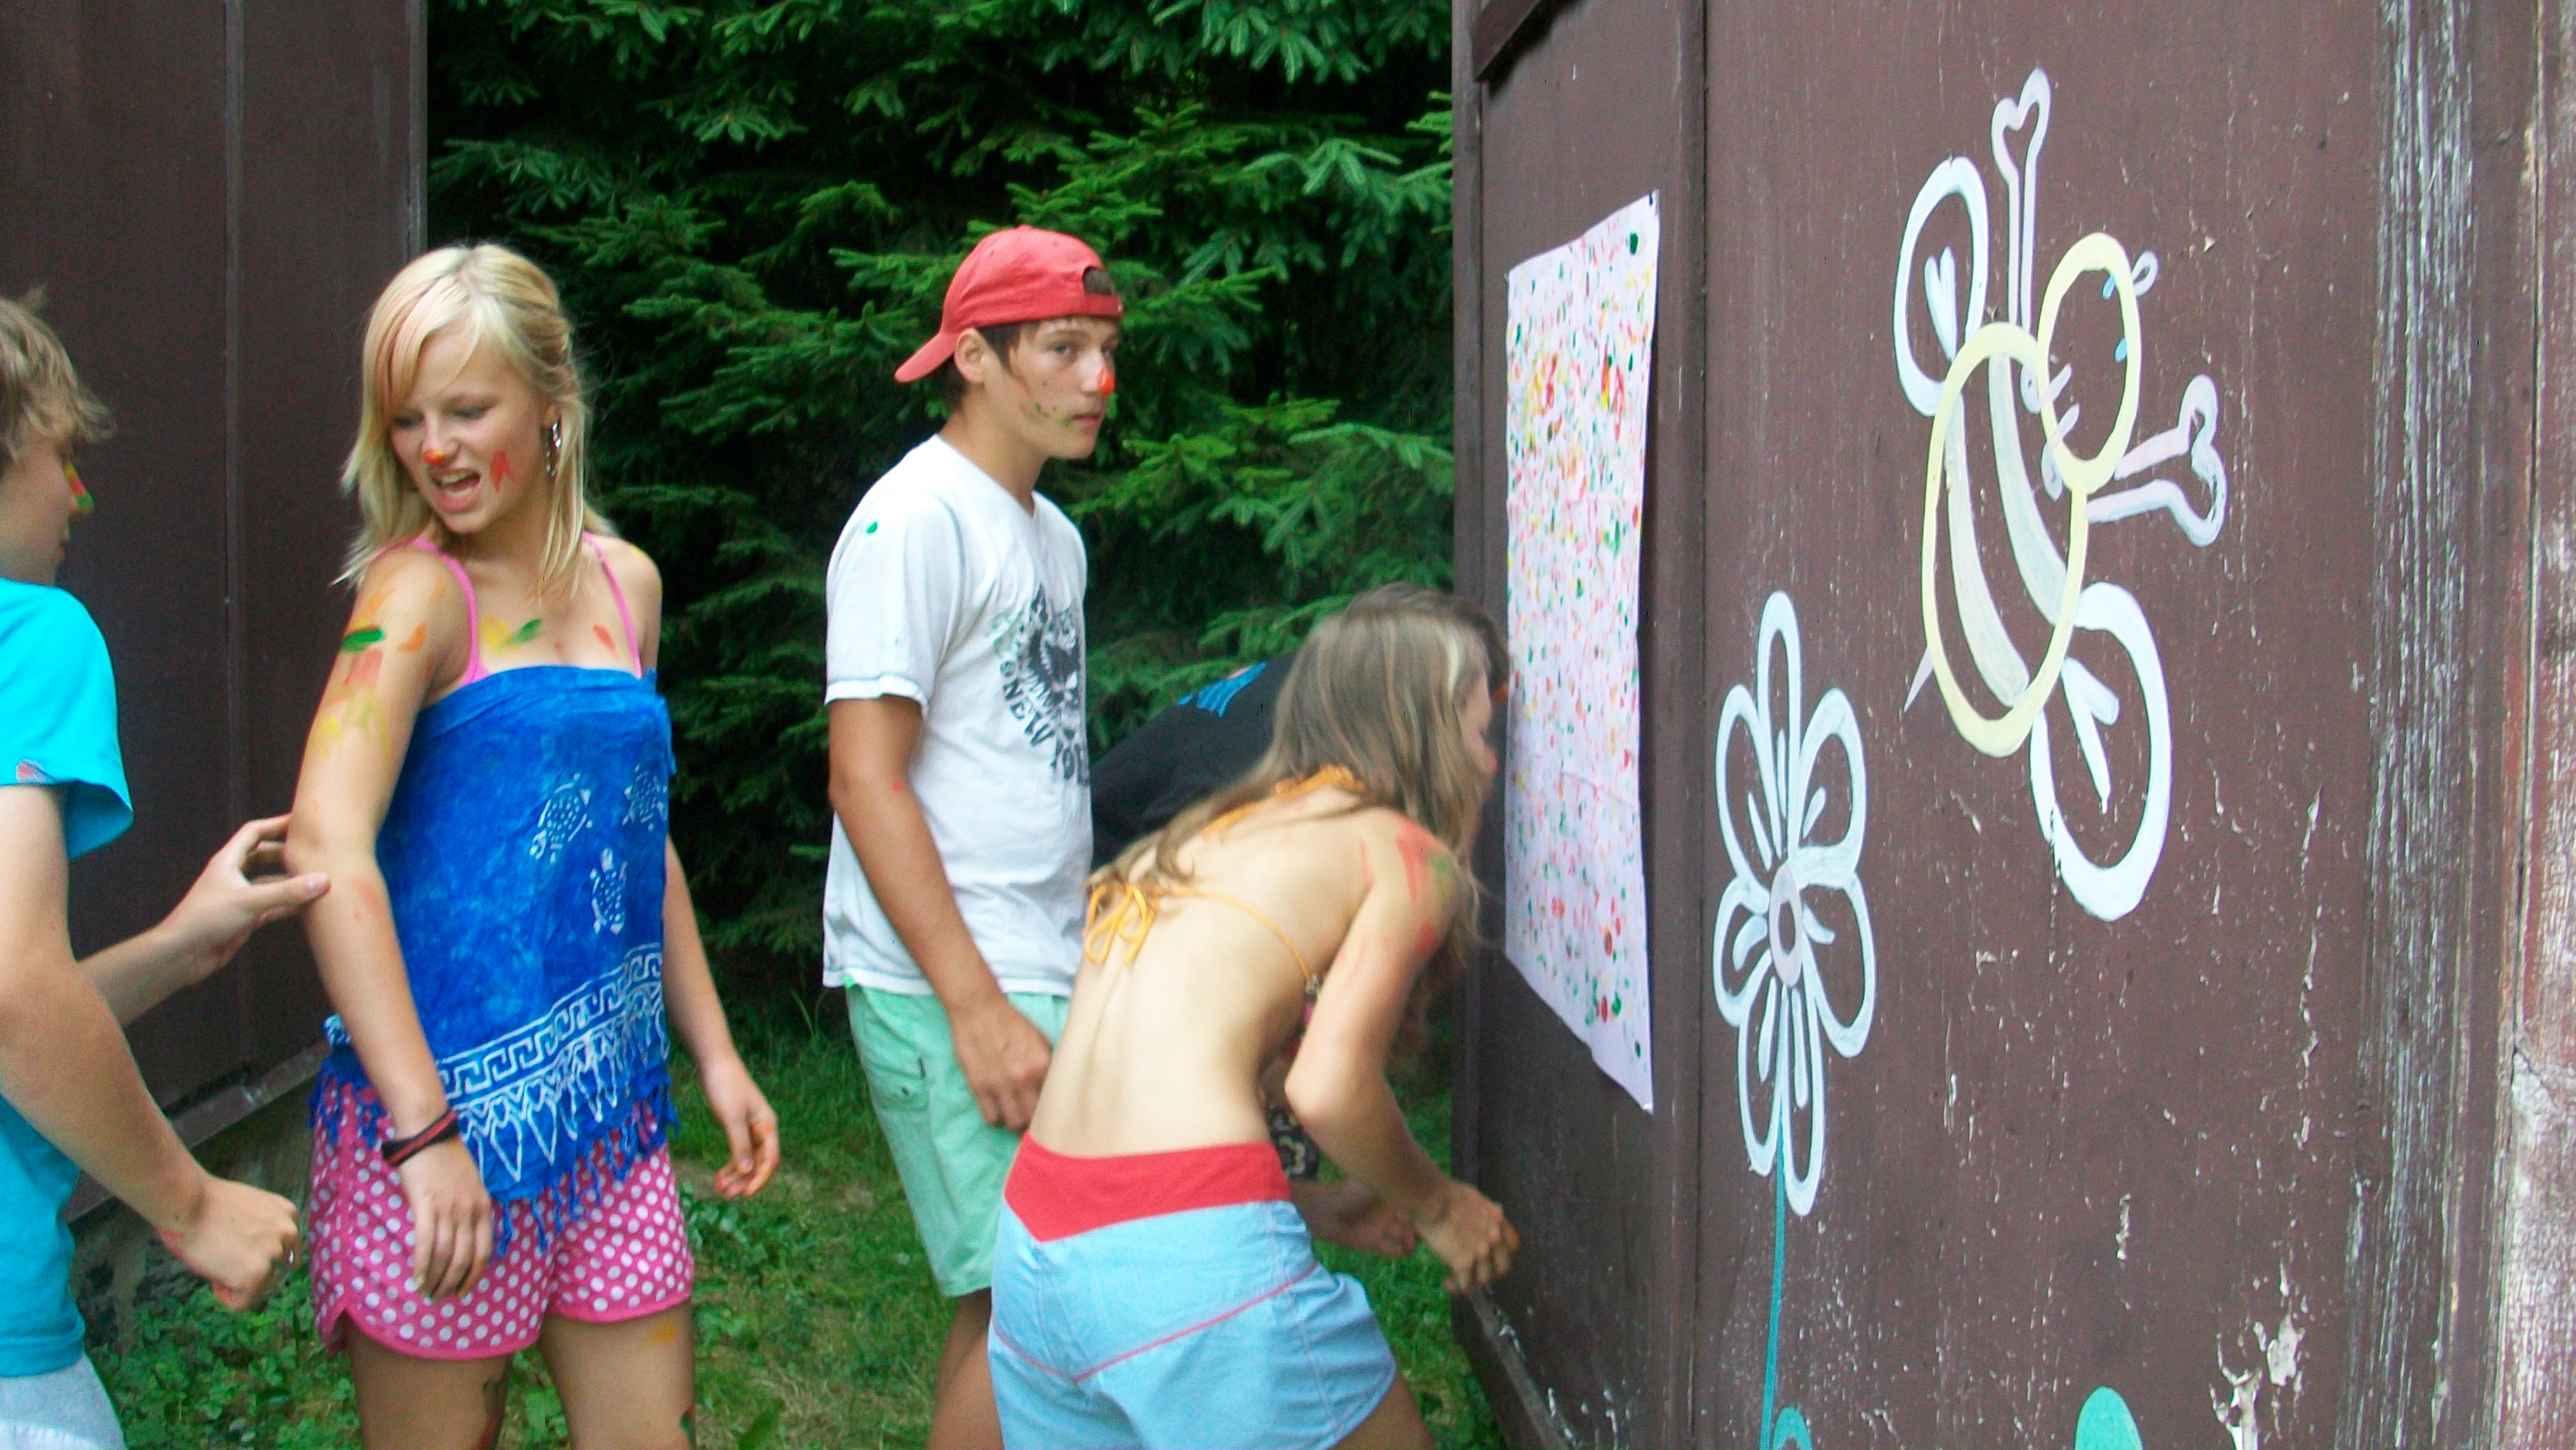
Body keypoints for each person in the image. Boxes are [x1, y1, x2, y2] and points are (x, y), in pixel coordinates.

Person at [283, 245, 779, 1450]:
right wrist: (422, 1131)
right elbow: (324, 845)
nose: (435, 448)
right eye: (407, 419)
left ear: (553, 405)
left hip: (607, 1127)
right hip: (437, 1133)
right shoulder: (416, 598)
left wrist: (714, 1053)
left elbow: (635, 835)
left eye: (467, 410)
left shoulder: (628, 586)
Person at [990, 584, 1520, 1450]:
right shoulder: (1401, 852)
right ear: (1427, 728)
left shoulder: (1210, 827)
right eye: (1477, 731)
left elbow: (1171, 1084)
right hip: (1186, 1276)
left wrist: (1311, 1205)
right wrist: (1438, 1205)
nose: (1489, 764)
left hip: (1034, 1253)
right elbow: (1327, 1088)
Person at [823, 224, 1122, 1450]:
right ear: (974, 359)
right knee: (1031, 1302)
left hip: (1036, 958)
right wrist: (976, 1005)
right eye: (1062, 348)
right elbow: (864, 779)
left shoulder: (1053, 537)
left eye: (1104, 349)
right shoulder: (913, 521)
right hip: (946, 978)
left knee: (1013, 1295)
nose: (1098, 378)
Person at [0, 295, 314, 1450]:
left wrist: (181, 947)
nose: (77, 497)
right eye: (63, 456)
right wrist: (191, 1203)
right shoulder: (32, 637)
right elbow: (14, 992)